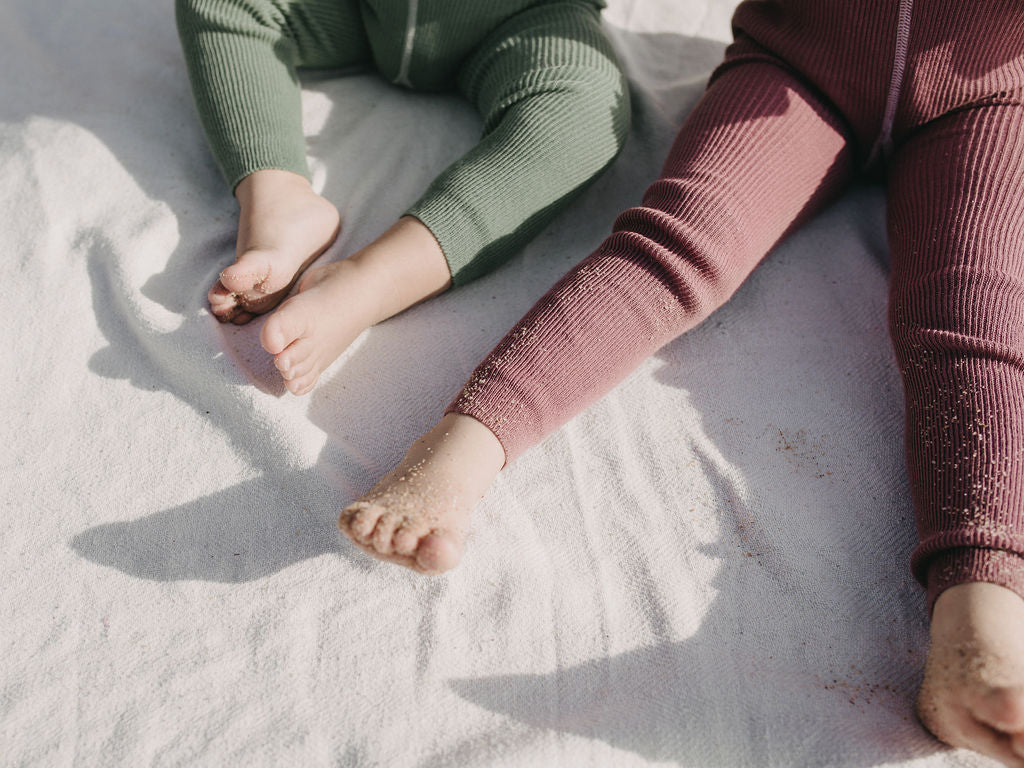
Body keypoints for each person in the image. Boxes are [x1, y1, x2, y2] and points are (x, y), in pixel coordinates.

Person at [338, 0, 1024, 763]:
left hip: (992, 90)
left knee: (977, 316)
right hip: (804, 61)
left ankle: (980, 606)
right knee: (680, 242)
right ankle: (465, 443)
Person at [175, 0, 630, 394]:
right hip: (368, 12)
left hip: (521, 18)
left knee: (587, 113)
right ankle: (279, 197)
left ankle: (374, 280)